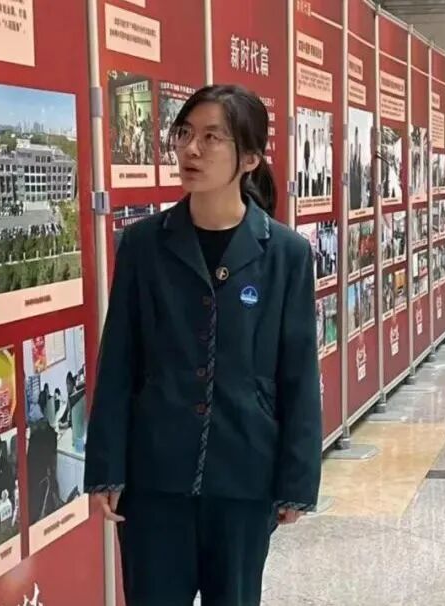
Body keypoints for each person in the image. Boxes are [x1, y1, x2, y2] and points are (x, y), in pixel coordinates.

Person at [84, 84, 323, 606]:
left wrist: (298, 479)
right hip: (154, 477)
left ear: (250, 158)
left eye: (212, 137)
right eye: (185, 133)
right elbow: (119, 359)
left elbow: (299, 373)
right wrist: (105, 467)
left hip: (244, 475)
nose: (191, 149)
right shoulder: (144, 244)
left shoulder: (285, 254)